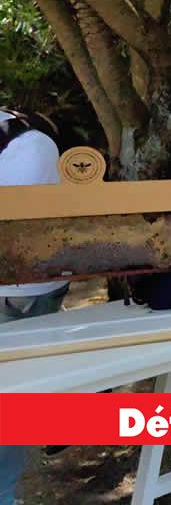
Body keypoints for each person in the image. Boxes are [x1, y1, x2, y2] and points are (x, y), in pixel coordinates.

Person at [0, 108, 66, 505]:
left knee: (12, 396)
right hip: (35, 282)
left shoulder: (30, 148)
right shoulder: (31, 139)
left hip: (22, 288)